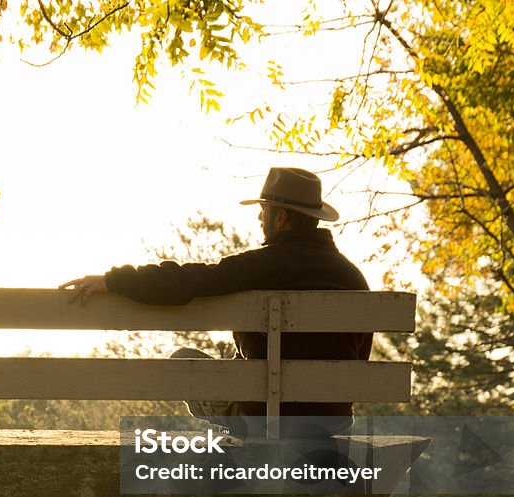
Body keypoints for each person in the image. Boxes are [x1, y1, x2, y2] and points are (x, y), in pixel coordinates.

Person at [60, 167, 371, 437]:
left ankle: (244, 439)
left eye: (264, 210)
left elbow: (186, 281)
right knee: (241, 367)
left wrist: (115, 280)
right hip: (332, 422)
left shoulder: (263, 265)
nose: (259, 216)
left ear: (282, 217)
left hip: (264, 421)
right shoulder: (354, 279)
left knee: (184, 360)